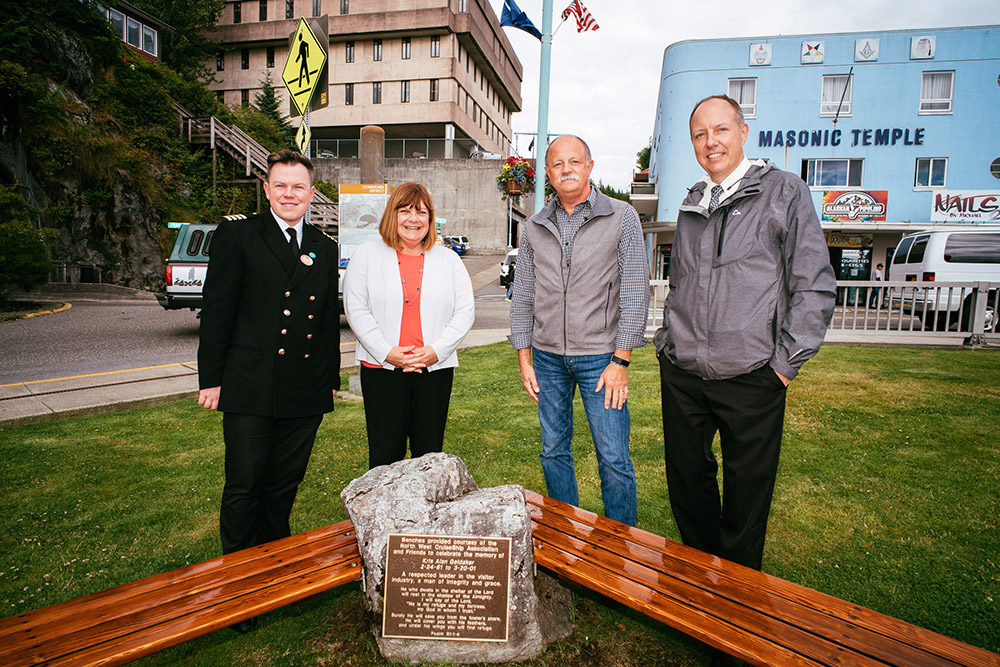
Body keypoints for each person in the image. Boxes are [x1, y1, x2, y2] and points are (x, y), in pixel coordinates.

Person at [654, 95, 836, 581]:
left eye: (720, 130)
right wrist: (666, 342)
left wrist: (783, 364)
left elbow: (813, 283)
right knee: (687, 487)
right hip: (684, 373)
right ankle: (703, 582)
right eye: (699, 134)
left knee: (746, 498)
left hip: (754, 375)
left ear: (743, 131)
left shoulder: (783, 192)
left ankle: (737, 604)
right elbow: (683, 283)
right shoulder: (693, 201)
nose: (710, 142)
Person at [197, 149, 340, 632]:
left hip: (303, 390)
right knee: (244, 486)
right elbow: (217, 310)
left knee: (282, 487)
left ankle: (271, 575)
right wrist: (210, 379)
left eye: (298, 187)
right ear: (266, 190)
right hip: (247, 386)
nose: (289, 194)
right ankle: (237, 589)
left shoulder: (322, 245)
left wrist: (329, 382)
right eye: (280, 186)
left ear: (312, 192)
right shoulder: (237, 235)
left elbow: (323, 324)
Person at [510, 135, 650, 527]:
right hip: (547, 358)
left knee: (613, 455)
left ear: (590, 166)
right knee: (553, 449)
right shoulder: (535, 226)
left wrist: (620, 360)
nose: (566, 169)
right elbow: (523, 294)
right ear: (548, 174)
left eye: (575, 161)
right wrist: (525, 356)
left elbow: (636, 291)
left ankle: (622, 546)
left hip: (601, 360)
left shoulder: (621, 217)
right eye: (557, 163)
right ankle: (564, 536)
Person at [344, 182, 474, 469]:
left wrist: (435, 351)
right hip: (382, 370)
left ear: (430, 219)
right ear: (392, 215)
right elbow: (356, 308)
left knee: (428, 456)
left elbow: (465, 311)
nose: (413, 219)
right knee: (384, 455)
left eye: (421, 212)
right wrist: (387, 351)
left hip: (433, 370)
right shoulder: (367, 254)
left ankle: (425, 513)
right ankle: (381, 513)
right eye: (405, 211)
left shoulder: (449, 260)